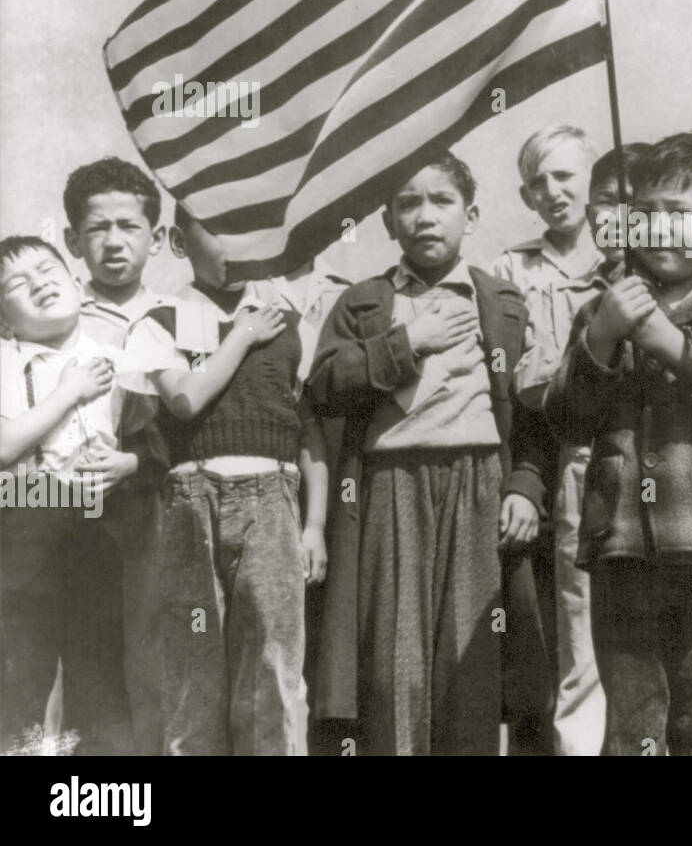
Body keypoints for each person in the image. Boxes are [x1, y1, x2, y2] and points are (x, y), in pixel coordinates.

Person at [545, 126, 692, 755]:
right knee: (634, 726)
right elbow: (566, 421)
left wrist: (671, 344)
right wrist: (601, 340)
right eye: (645, 216)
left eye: (679, 216)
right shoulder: (604, 307)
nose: (659, 231)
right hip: (623, 544)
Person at [308, 149, 545, 755]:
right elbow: (324, 387)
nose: (424, 216)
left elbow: (537, 413)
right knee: (394, 662)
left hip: (479, 483)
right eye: (407, 203)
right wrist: (407, 341)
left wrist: (523, 485)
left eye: (441, 201)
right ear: (388, 222)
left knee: (472, 658)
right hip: (391, 484)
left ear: (472, 214)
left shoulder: (505, 302)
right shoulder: (363, 302)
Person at [122, 206, 327, 754]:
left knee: (274, 665)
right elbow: (185, 400)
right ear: (178, 242)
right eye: (217, 230)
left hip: (273, 499)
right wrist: (240, 337)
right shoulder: (159, 320)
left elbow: (309, 432)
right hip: (191, 504)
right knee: (194, 668)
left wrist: (315, 525)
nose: (235, 246)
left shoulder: (287, 322)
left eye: (248, 228)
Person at [0, 236, 141, 755]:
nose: (38, 281)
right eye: (16, 282)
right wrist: (68, 392)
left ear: (77, 283)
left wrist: (130, 463)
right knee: (23, 664)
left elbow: (147, 442)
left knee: (99, 664)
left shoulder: (119, 357)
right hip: (25, 510)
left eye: (47, 267)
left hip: (99, 517)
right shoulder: (6, 360)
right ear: (2, 317)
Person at [492, 123, 603, 755]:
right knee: (572, 630)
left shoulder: (627, 258)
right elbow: (519, 378)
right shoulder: (513, 266)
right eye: (539, 182)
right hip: (561, 458)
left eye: (565, 175)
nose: (554, 192)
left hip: (635, 455)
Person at [62, 157, 172, 754]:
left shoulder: (184, 320)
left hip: (161, 511)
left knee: (159, 659)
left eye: (128, 227)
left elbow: (199, 422)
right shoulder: (57, 320)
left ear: (155, 237)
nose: (112, 242)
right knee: (89, 661)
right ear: (72, 239)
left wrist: (137, 463)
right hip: (77, 517)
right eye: (97, 228)